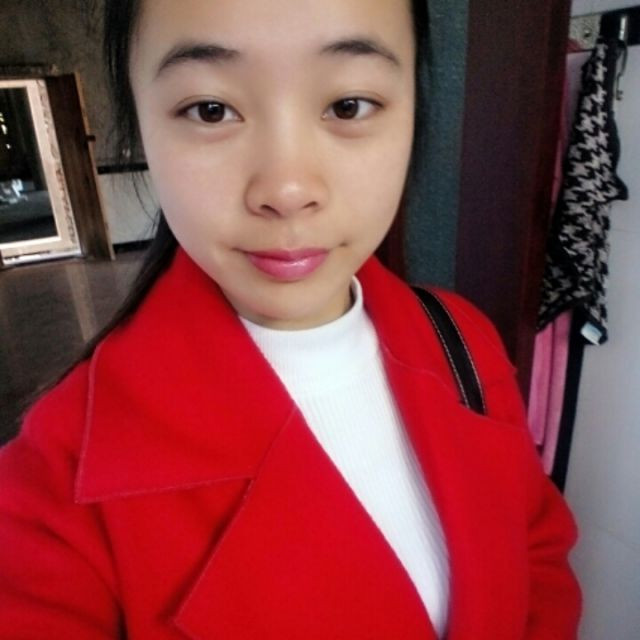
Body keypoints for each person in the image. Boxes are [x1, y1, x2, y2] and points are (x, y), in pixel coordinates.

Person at [0, 0, 581, 638]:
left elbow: (537, 552)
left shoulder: (461, 339)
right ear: (139, 123)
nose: (287, 190)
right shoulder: (51, 488)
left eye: (348, 105)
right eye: (210, 109)